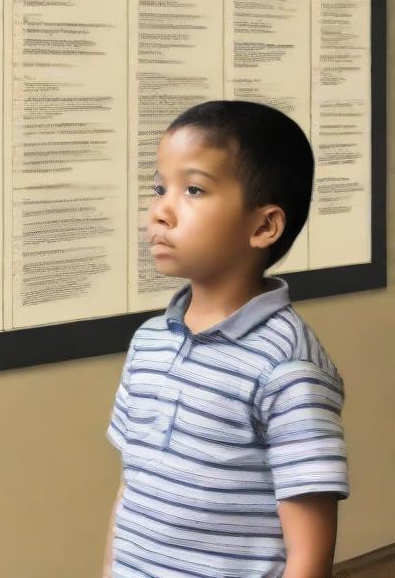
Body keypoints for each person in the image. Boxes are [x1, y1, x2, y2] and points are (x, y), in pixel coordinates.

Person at [104, 100, 347, 578]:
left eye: (192, 189)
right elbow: (131, 489)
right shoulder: (149, 342)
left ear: (264, 226)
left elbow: (310, 551)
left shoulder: (287, 367)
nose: (160, 211)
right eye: (160, 188)